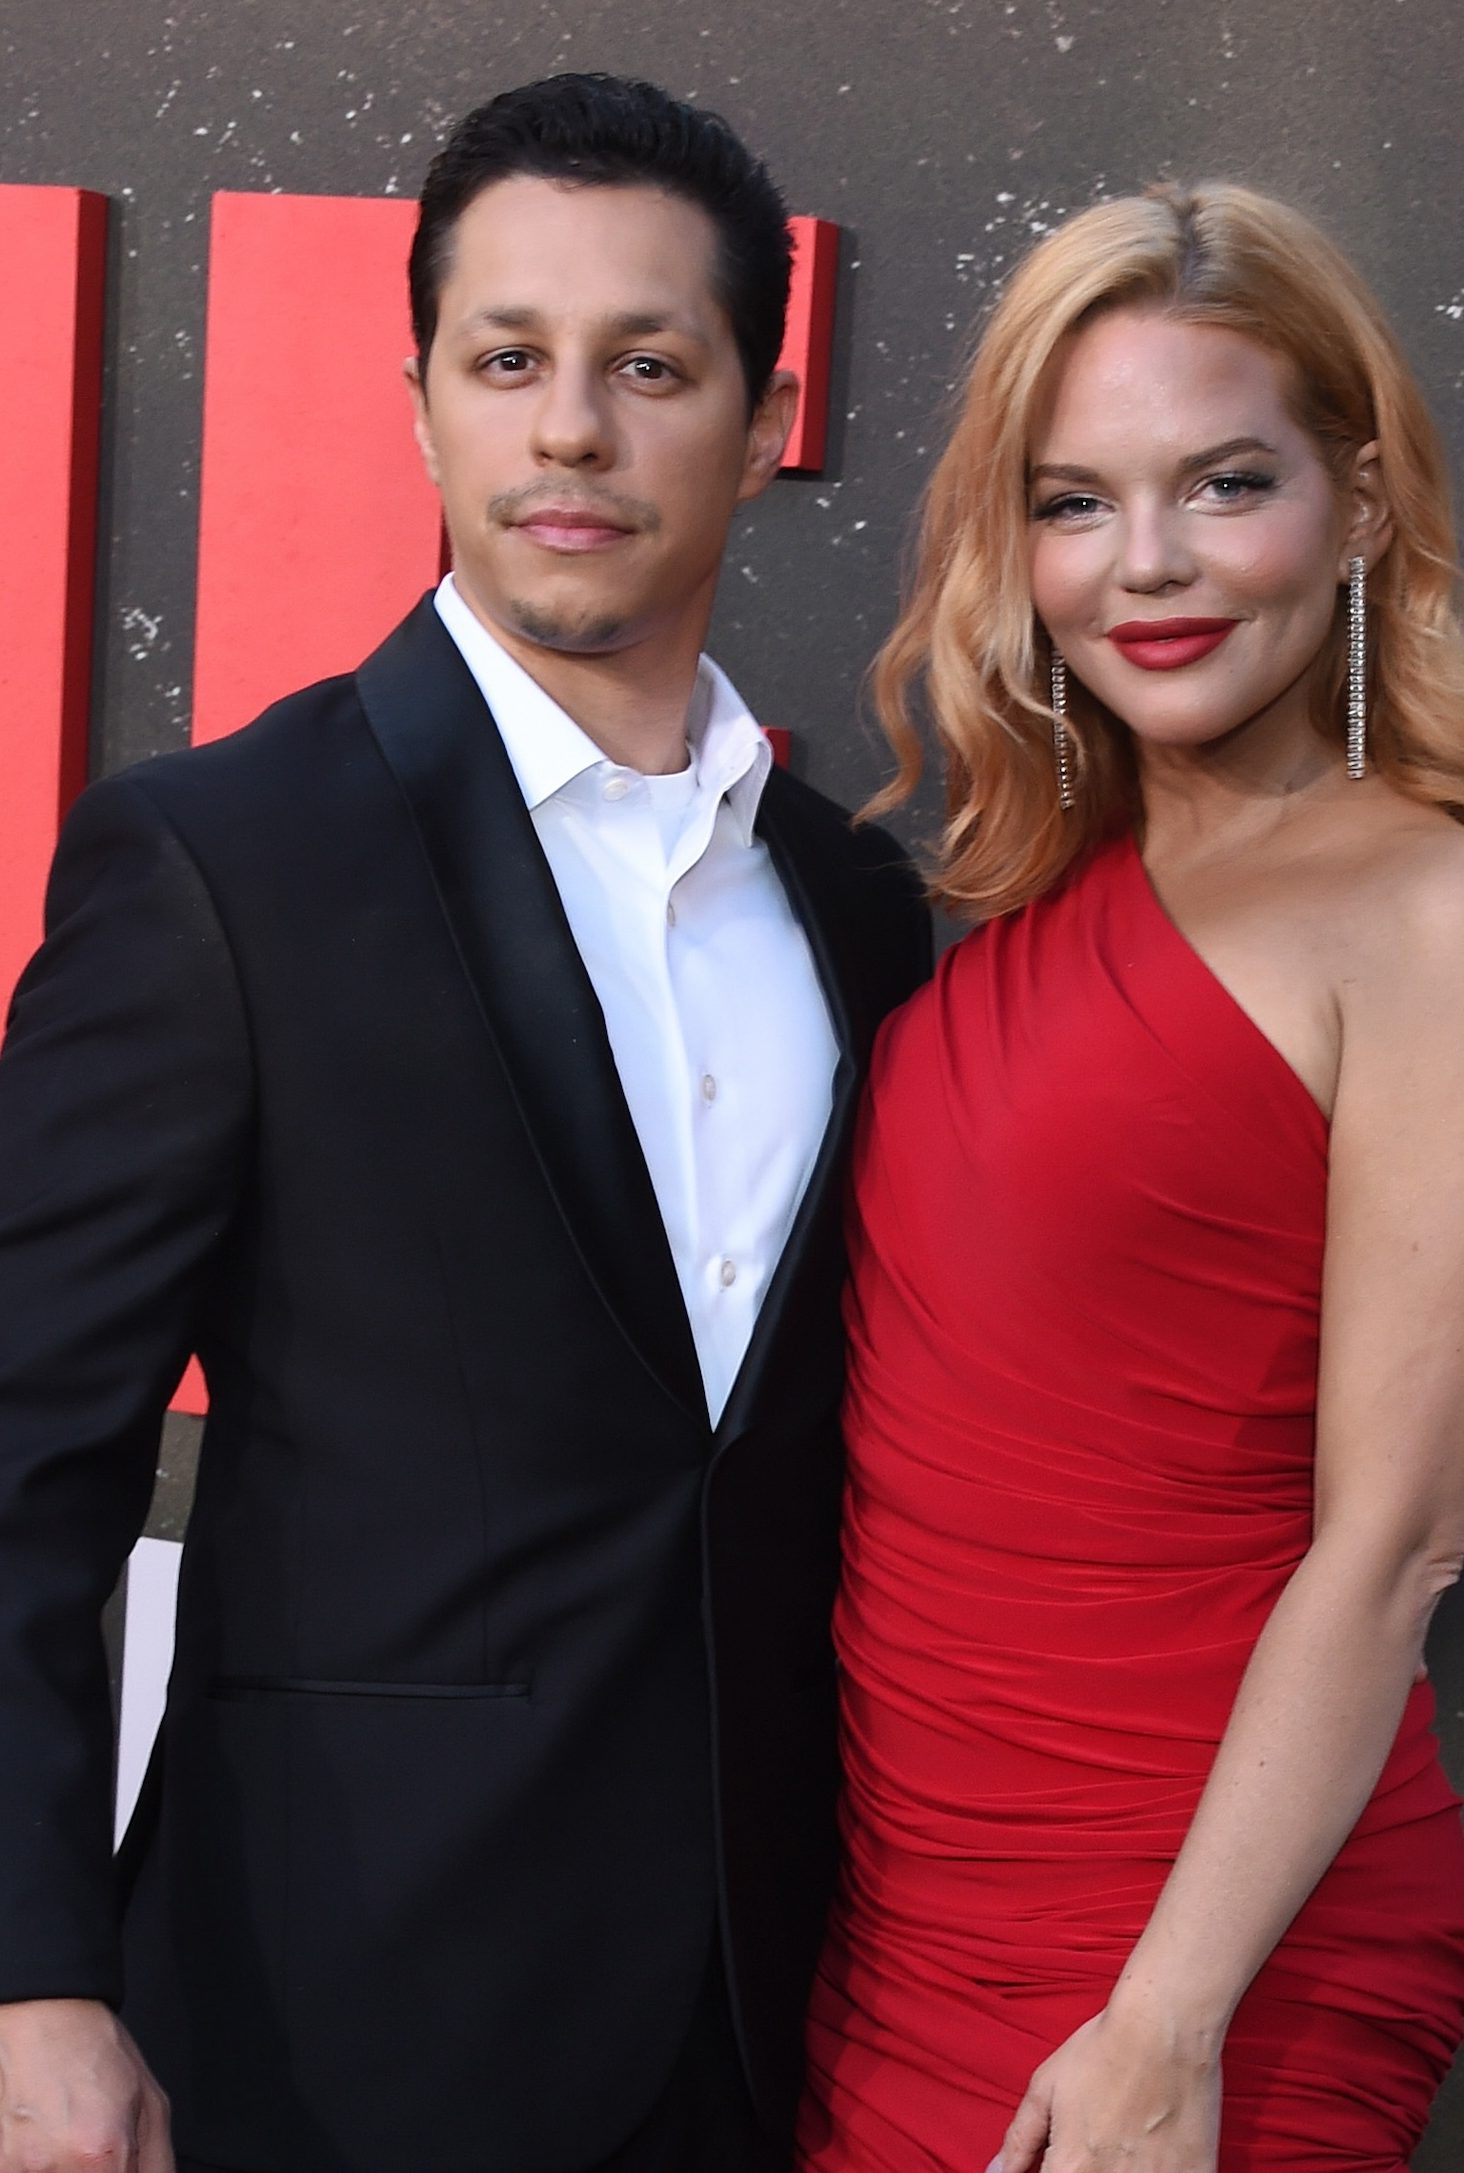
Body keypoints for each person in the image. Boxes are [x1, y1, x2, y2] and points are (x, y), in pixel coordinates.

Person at [0, 72, 930, 2173]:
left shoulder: (861, 904)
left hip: (776, 2020)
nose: (570, 429)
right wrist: (30, 1977)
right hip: (338, 2024)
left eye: (647, 365)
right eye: (506, 359)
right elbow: (22, 1462)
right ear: (420, 401)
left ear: (765, 415)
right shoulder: (219, 860)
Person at [797, 182, 1464, 2173]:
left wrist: (1164, 2015)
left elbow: (1394, 1542)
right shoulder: (1029, 887)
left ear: (1360, 500)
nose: (1141, 564)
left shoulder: (1433, 910)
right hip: (905, 1909)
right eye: (1071, 501)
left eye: (1220, 483)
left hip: (1203, 1939)